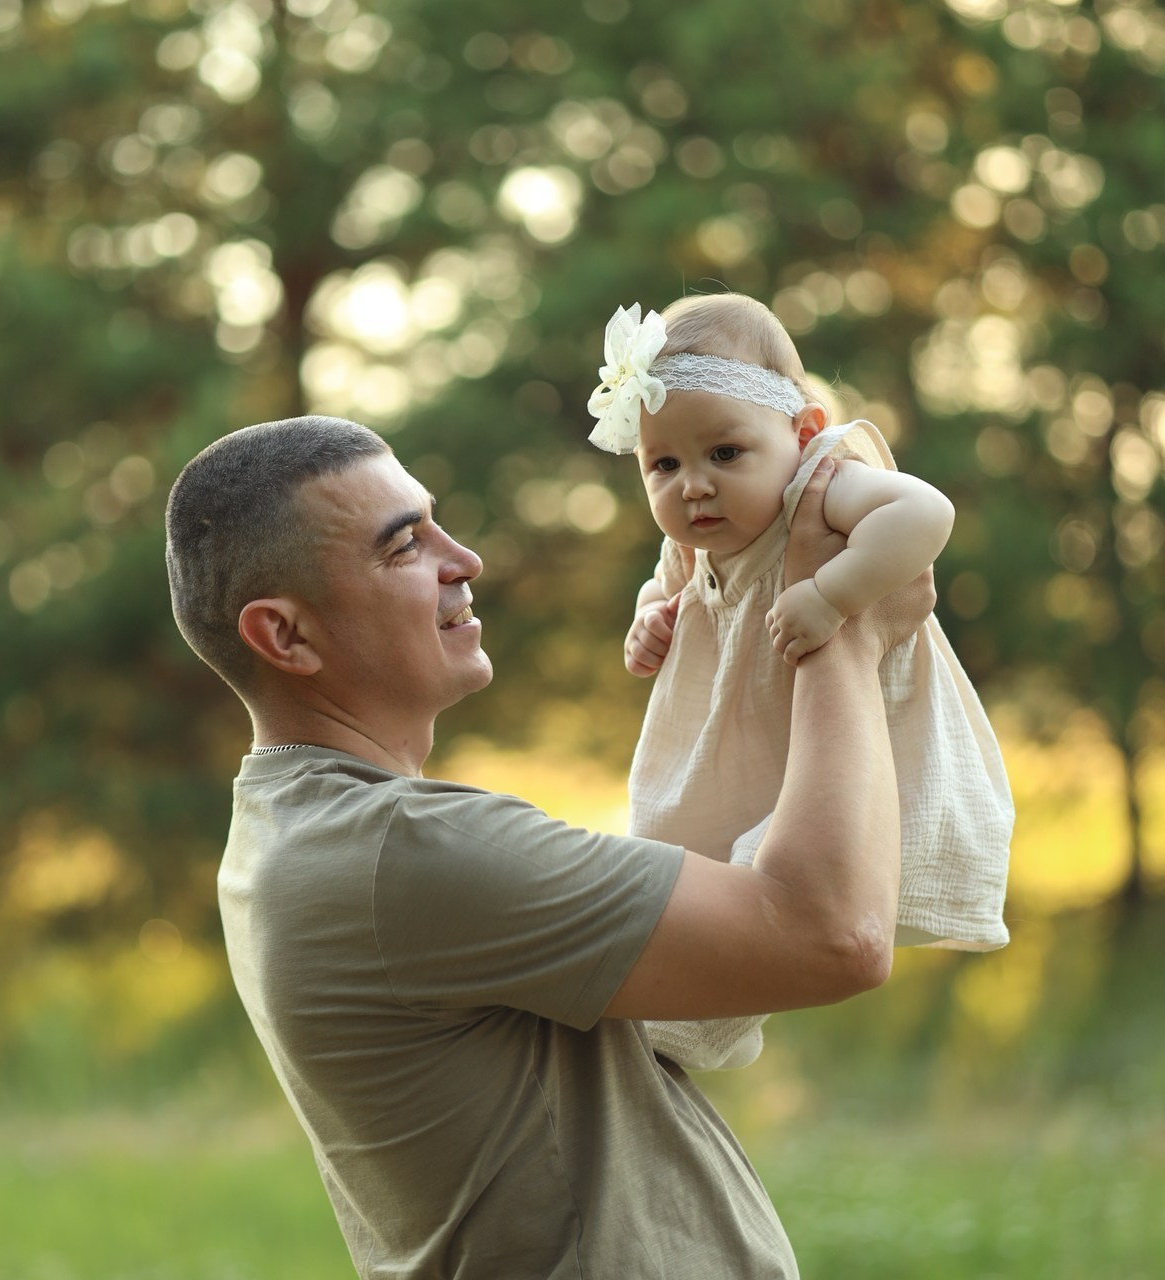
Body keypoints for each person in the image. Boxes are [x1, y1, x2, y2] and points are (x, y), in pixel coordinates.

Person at [165, 412, 933, 1278]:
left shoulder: (291, 827)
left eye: (437, 521)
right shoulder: (403, 851)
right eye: (403, 546)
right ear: (285, 636)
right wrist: (845, 634)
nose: (465, 560)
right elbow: (833, 935)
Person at [587, 294, 1013, 1072]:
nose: (693, 486)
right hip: (744, 750)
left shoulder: (821, 488)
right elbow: (666, 587)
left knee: (789, 881)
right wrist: (650, 621)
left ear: (802, 432)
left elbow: (925, 513)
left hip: (840, 747)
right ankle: (675, 1035)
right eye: (664, 464)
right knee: (696, 878)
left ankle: (678, 1030)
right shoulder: (698, 542)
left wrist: (833, 594)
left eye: (724, 453)